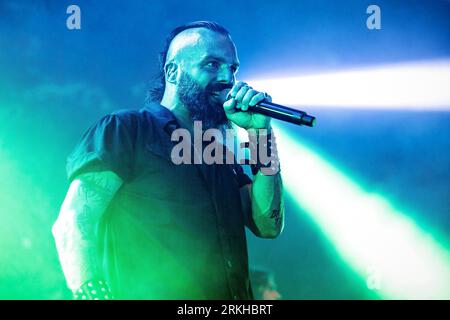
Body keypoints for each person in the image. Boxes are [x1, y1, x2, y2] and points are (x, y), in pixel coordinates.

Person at [52, 21, 285, 300]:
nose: (228, 78)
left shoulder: (220, 152)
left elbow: (268, 226)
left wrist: (261, 133)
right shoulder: (127, 130)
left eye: (232, 68)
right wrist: (93, 294)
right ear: (173, 72)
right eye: (212, 64)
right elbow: (75, 220)